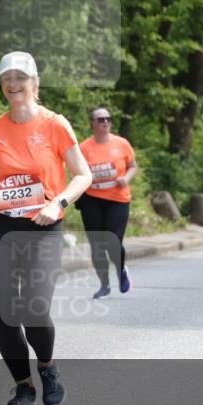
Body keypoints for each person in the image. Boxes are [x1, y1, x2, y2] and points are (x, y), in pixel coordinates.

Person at [0, 51, 92, 405]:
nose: (13, 85)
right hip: (0, 228)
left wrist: (58, 204)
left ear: (35, 83)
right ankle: (23, 387)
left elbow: (83, 175)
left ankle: (47, 367)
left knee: (34, 307)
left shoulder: (55, 124)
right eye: (7, 79)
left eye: (20, 78)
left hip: (43, 225)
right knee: (5, 313)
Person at [77, 107, 138, 299]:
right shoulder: (84, 148)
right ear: (92, 124)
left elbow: (133, 166)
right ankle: (104, 285)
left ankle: (121, 271)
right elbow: (78, 171)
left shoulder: (121, 144)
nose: (105, 122)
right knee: (96, 244)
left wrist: (126, 178)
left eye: (108, 119)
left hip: (117, 199)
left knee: (112, 240)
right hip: (92, 200)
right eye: (101, 119)